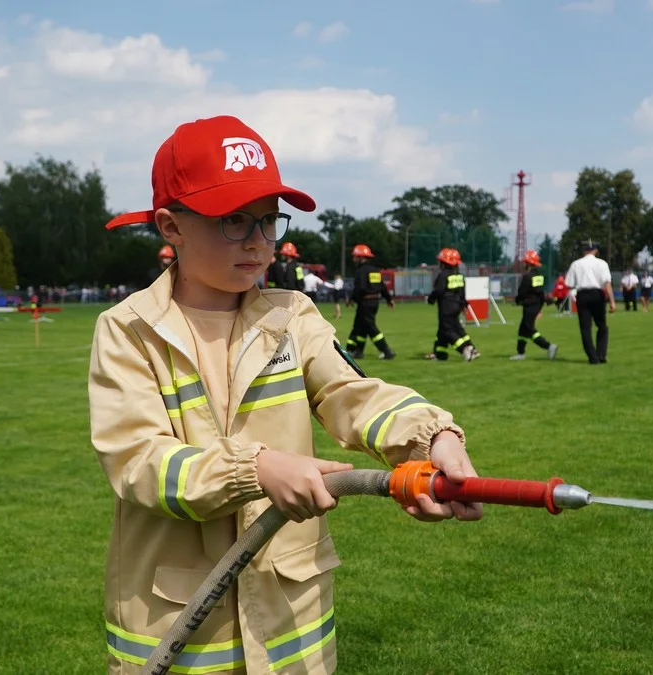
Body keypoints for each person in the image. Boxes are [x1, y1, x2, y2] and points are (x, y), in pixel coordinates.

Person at [92, 114, 481, 675]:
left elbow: (352, 393)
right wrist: (257, 469)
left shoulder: (292, 314)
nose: (258, 242)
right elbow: (138, 462)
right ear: (169, 226)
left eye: (268, 221)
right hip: (178, 630)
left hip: (291, 621)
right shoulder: (128, 329)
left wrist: (431, 436)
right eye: (234, 221)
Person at [564, 240, 616, 365]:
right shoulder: (602, 263)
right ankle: (601, 354)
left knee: (585, 328)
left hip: (582, 295)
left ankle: (593, 357)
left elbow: (569, 284)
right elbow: (606, 282)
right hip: (597, 294)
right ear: (596, 250)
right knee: (602, 326)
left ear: (584, 250)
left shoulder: (576, 264)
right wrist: (612, 301)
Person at [425, 247, 479, 362]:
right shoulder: (459, 276)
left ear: (444, 263)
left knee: (447, 331)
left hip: (446, 307)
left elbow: (439, 290)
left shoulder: (443, 275)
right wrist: (464, 305)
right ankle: (441, 355)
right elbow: (462, 292)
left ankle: (465, 349)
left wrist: (431, 299)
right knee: (445, 330)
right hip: (457, 306)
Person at [345, 243, 397, 360]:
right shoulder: (375, 271)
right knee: (359, 326)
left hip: (365, 302)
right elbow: (382, 286)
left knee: (370, 327)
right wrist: (389, 299)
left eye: (355, 257)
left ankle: (386, 351)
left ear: (360, 258)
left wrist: (353, 298)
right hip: (375, 302)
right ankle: (356, 351)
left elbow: (360, 288)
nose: (353, 259)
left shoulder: (361, 271)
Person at [510, 251, 558, 361]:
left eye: (525, 262)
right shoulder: (538, 276)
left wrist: (517, 301)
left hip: (529, 306)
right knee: (522, 330)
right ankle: (520, 353)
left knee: (529, 329)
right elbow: (540, 292)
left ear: (529, 263)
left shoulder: (527, 277)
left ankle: (549, 346)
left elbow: (522, 291)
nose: (523, 264)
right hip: (536, 305)